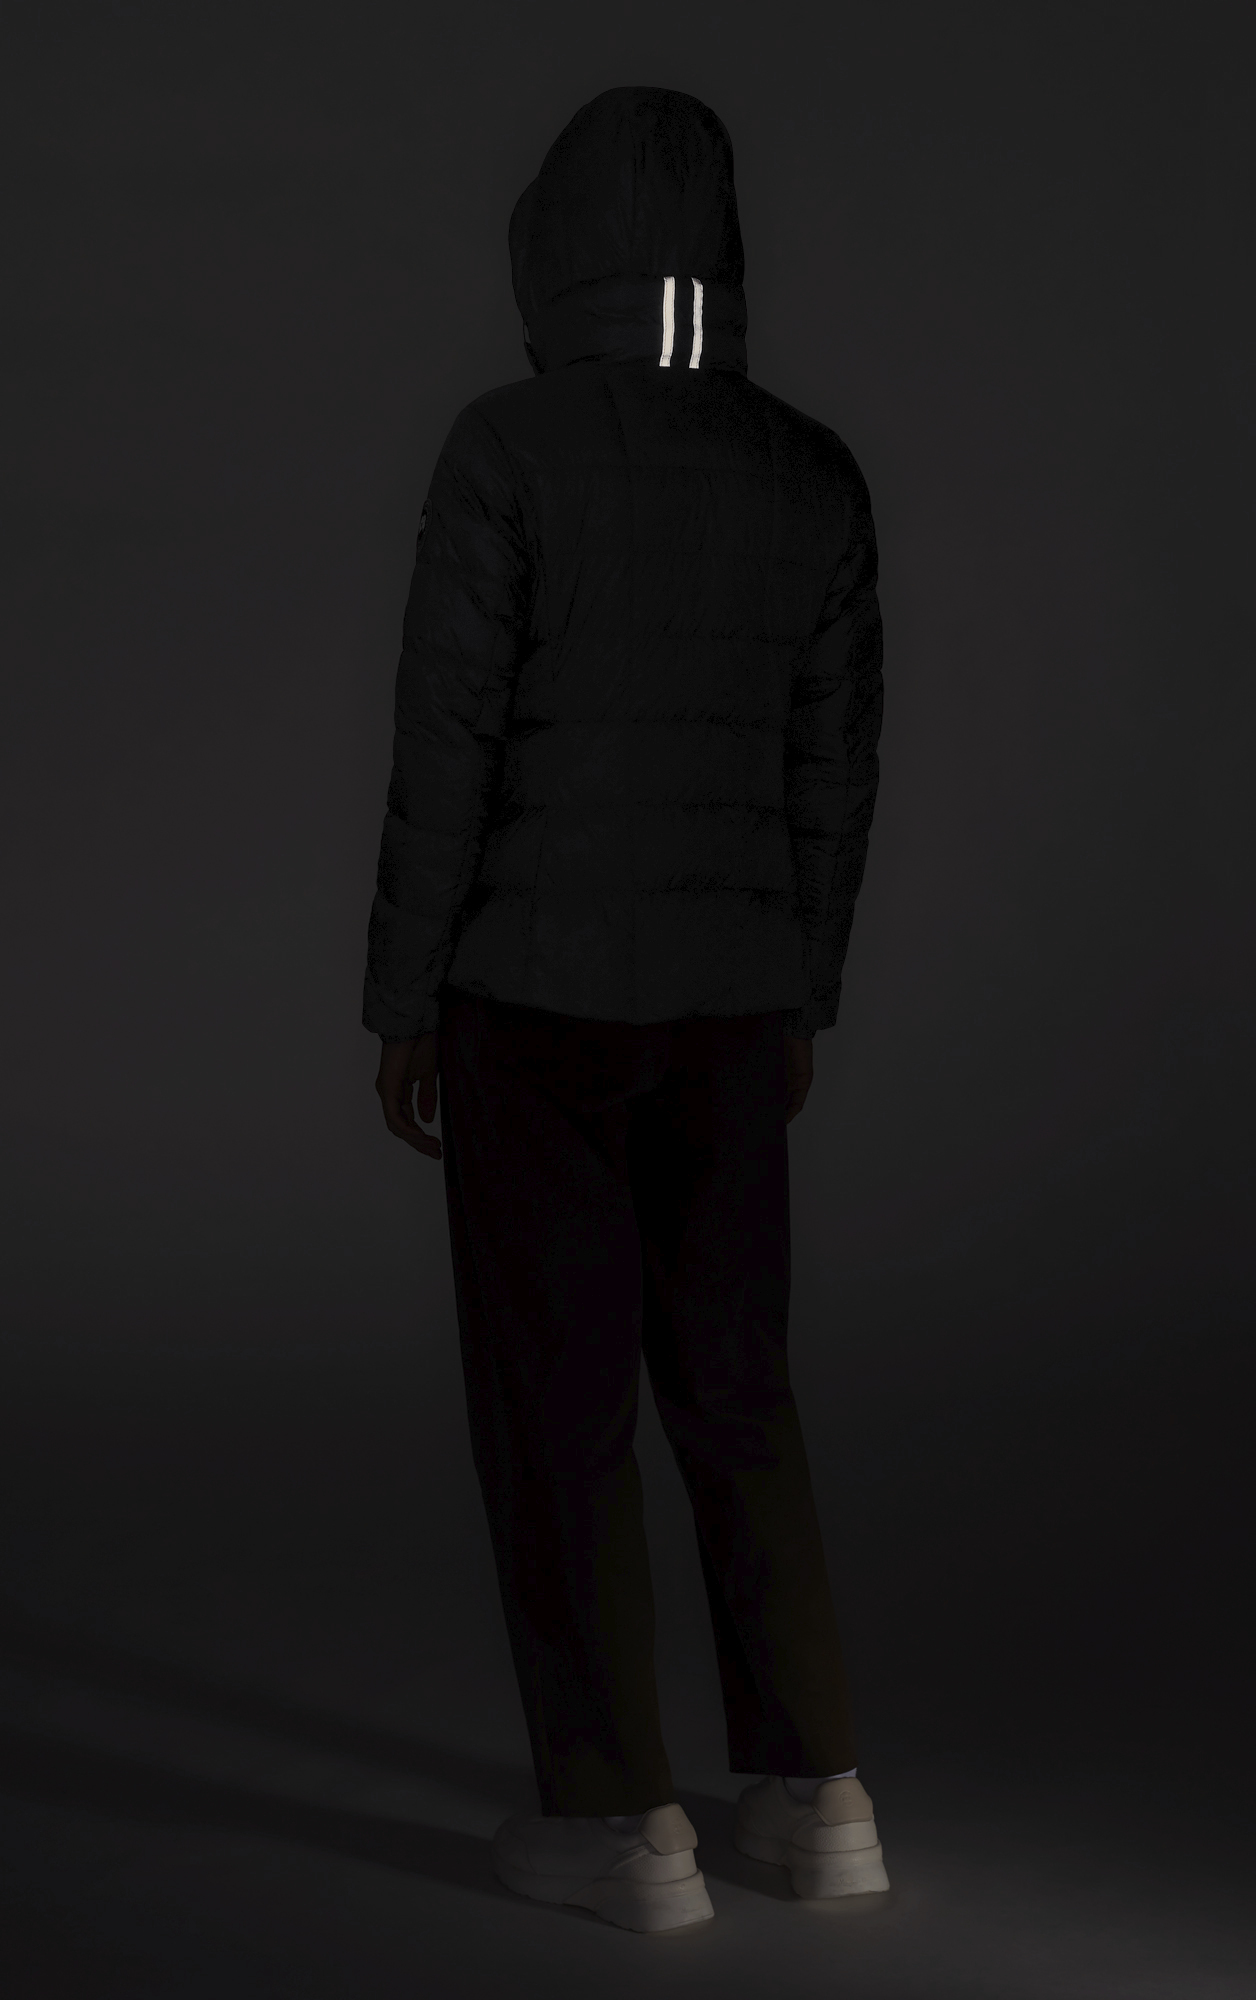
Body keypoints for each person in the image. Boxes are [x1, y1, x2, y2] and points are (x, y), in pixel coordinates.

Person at [363, 85, 886, 1934]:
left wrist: (403, 1001)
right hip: (734, 1016)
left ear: (554, 246)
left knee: (559, 1407)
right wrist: (800, 990)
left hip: (531, 1005)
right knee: (738, 1392)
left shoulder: (504, 451)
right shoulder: (811, 471)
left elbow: (445, 750)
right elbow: (834, 776)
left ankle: (618, 1826)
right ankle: (817, 1798)